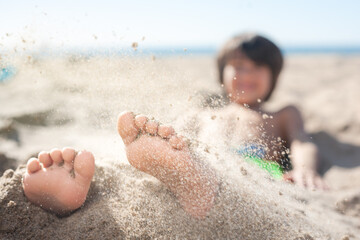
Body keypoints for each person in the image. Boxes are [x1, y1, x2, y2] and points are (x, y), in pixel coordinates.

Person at [21, 33, 326, 220]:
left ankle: (196, 185)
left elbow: (302, 142)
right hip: (201, 160)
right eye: (239, 66)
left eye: (258, 66)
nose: (247, 73)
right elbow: (175, 139)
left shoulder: (283, 113)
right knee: (169, 156)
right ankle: (77, 197)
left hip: (254, 169)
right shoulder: (202, 112)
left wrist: (305, 169)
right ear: (222, 73)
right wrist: (163, 149)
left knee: (212, 174)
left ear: (274, 75)